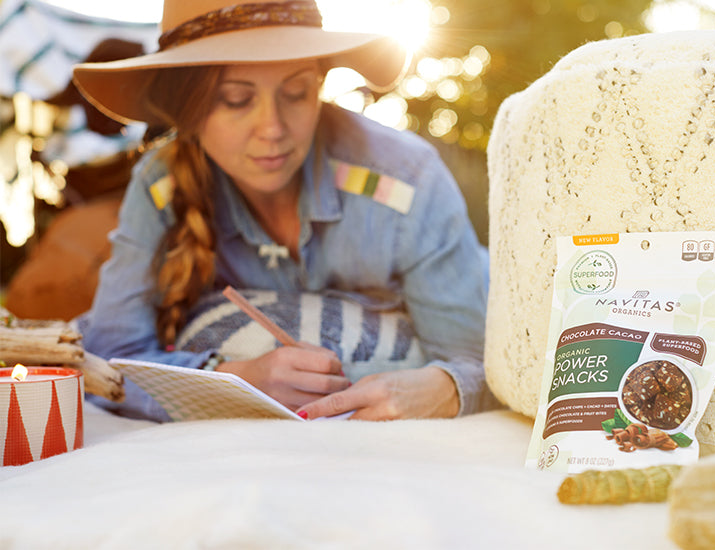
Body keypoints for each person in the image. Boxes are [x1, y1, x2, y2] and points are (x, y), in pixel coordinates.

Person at [73, 0, 495, 422]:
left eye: (296, 92)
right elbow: (109, 357)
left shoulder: (405, 181)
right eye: (236, 100)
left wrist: (443, 388)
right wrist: (232, 379)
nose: (273, 129)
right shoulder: (159, 188)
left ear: (320, 85)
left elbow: (478, 362)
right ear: (187, 110)